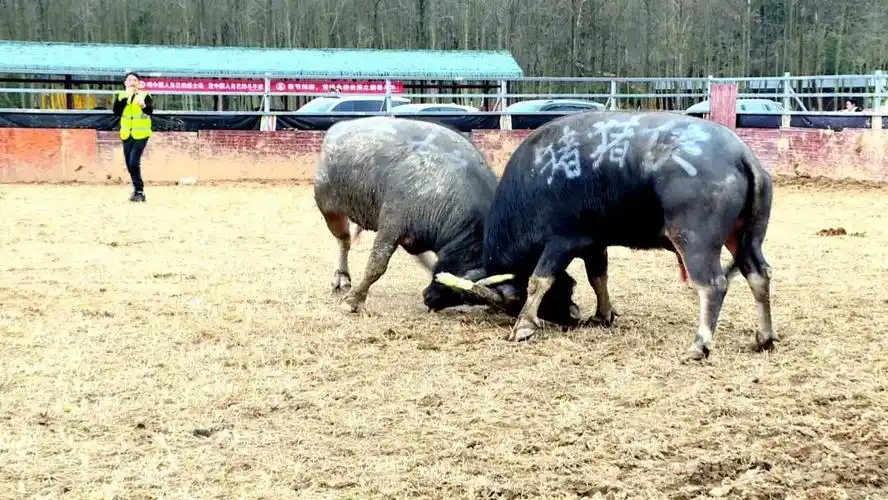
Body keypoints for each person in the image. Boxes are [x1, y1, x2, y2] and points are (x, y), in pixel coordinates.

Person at [112, 71, 154, 202]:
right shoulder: (120, 95)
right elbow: (116, 111)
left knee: (133, 162)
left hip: (141, 133)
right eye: (129, 80)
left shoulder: (145, 95)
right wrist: (126, 98)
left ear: (139, 83)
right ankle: (136, 190)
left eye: (134, 80)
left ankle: (139, 191)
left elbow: (150, 111)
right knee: (129, 164)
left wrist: (143, 106)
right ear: (125, 83)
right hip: (126, 133)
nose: (132, 82)